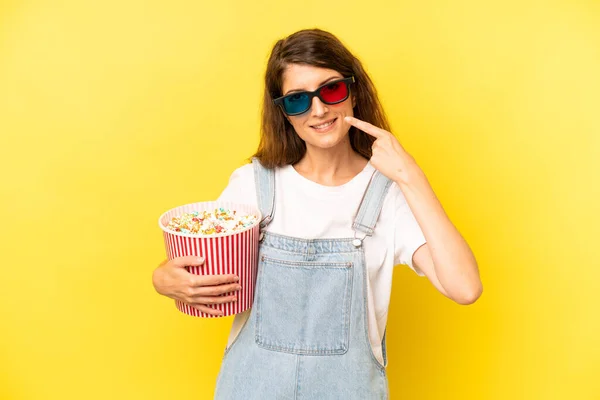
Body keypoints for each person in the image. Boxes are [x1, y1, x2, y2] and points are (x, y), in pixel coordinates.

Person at [152, 28, 482, 399]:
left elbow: (465, 288)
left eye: (331, 90)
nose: (319, 109)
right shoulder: (253, 185)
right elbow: (200, 266)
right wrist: (163, 279)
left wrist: (410, 175)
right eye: (297, 100)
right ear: (283, 113)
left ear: (353, 91)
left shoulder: (388, 193)